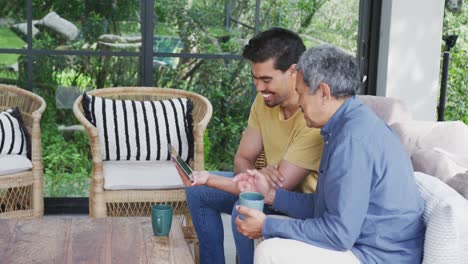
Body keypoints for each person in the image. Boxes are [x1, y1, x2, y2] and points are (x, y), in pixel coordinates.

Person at [233, 44, 425, 264]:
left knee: (271, 251)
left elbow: (338, 234)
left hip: (378, 256)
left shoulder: (351, 141)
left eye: (301, 93)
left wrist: (266, 225)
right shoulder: (346, 126)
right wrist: (272, 195)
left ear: (323, 92)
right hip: (364, 244)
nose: (299, 101)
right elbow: (323, 207)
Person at [180, 28, 324, 264]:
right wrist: (256, 176)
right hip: (267, 192)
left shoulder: (312, 116)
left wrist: (256, 181)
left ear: (294, 72)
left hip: (297, 205)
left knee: (243, 206)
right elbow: (242, 158)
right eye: (255, 78)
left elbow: (275, 190)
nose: (259, 88)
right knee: (197, 191)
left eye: (266, 79)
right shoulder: (264, 100)